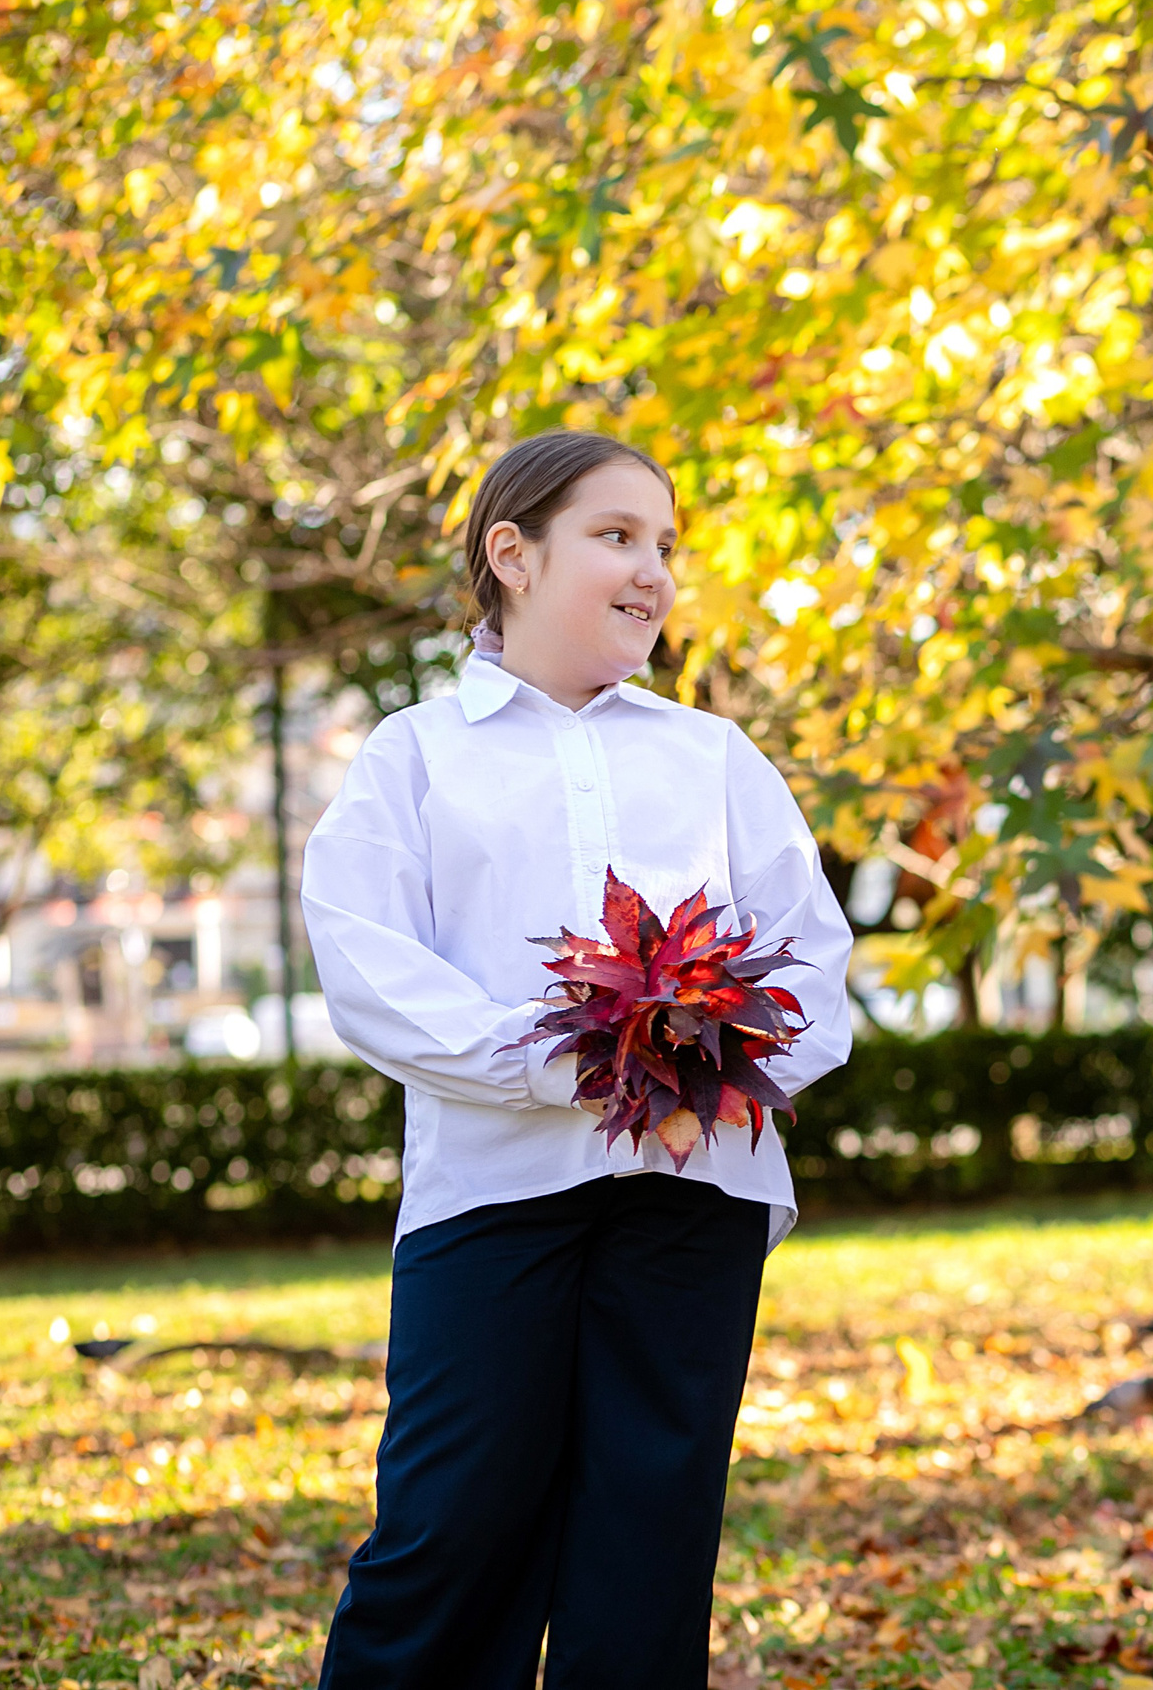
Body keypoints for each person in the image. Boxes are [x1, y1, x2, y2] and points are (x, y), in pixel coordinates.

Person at [304, 430, 854, 1688]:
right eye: (617, 536)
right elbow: (368, 962)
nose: (653, 570)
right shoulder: (415, 753)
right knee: (451, 1526)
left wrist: (710, 1065)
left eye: (664, 544)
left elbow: (812, 965)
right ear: (514, 554)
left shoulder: (711, 755)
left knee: (649, 1544)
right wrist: (570, 1064)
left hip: (695, 1194)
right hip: (492, 1193)